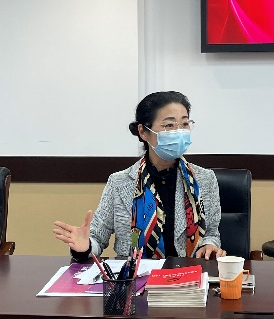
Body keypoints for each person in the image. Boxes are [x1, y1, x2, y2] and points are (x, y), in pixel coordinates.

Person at [53, 91, 225, 260]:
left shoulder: (205, 179)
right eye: (169, 125)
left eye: (185, 124)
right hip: (136, 275)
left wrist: (209, 245)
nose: (179, 132)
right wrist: (85, 247)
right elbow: (97, 237)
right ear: (143, 132)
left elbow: (211, 233)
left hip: (189, 274)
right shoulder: (119, 182)